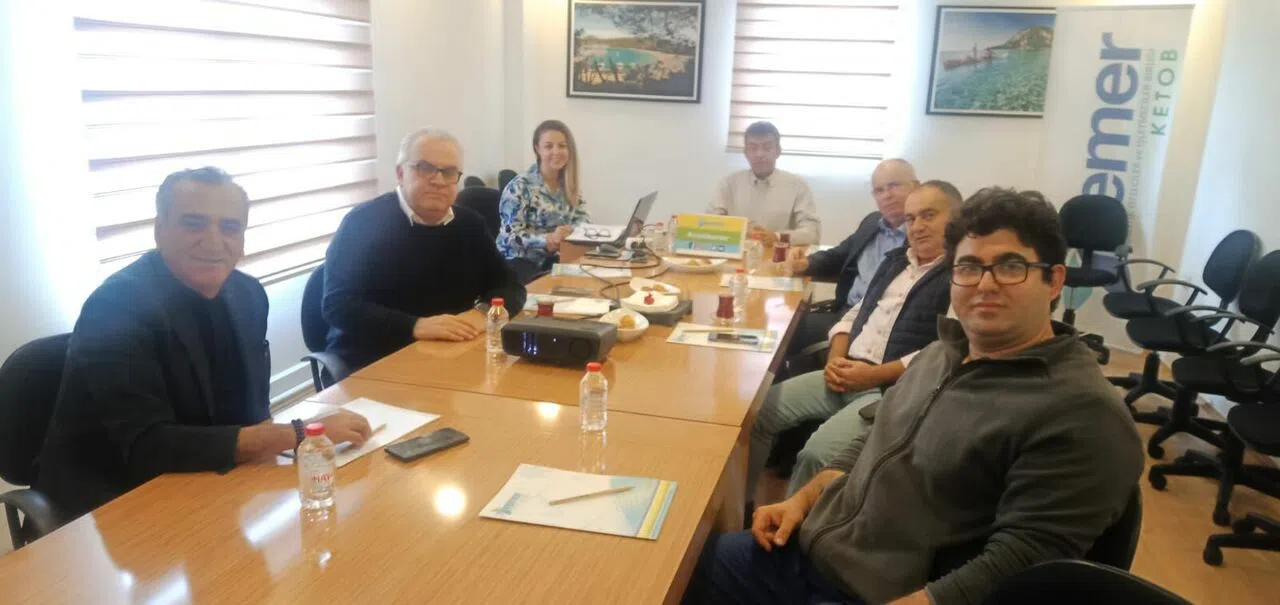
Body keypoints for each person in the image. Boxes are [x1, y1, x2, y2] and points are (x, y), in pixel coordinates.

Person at [686, 188, 1144, 605]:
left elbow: (1024, 563)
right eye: (969, 267)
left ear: (1055, 280)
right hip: (814, 554)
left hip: (881, 595)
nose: (985, 284)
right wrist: (801, 501)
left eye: (1010, 267)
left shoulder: (1082, 412)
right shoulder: (942, 353)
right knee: (678, 571)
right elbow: (874, 434)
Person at [36, 167, 373, 522]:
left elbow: (254, 413)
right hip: (112, 499)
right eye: (193, 224)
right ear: (159, 230)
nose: (213, 242)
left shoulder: (247, 294)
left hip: (210, 477)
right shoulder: (115, 307)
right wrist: (302, 433)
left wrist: (291, 445)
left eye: (229, 227)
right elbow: (146, 447)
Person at [746, 181, 961, 500]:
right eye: (911, 219)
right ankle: (745, 505)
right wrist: (836, 358)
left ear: (957, 220)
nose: (917, 227)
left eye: (928, 216)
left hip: (889, 389)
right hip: (846, 372)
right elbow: (856, 313)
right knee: (755, 414)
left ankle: (795, 527)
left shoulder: (962, 277)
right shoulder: (895, 262)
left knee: (818, 455)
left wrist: (872, 375)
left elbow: (945, 351)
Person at [323, 129, 526, 376]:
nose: (439, 181)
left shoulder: (469, 224)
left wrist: (481, 314)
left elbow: (510, 286)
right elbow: (338, 306)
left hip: (449, 356)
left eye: (449, 172)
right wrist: (415, 326)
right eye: (425, 168)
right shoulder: (362, 223)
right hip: (373, 362)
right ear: (400, 173)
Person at [782, 159, 920, 356]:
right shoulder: (872, 222)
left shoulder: (920, 237)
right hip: (845, 312)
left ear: (915, 187)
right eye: (879, 190)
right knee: (784, 323)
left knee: (785, 334)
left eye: (894, 186)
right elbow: (839, 254)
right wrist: (805, 263)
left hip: (876, 326)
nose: (887, 195)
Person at [497, 119, 591, 284]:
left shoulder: (569, 185)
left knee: (588, 280)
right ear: (537, 149)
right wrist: (547, 240)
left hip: (554, 259)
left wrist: (570, 231)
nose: (556, 151)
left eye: (562, 146)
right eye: (548, 146)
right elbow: (510, 236)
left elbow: (584, 222)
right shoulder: (520, 186)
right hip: (519, 261)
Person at [708, 121, 820, 246]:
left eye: (767, 148)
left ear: (778, 151)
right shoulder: (727, 184)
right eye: (753, 148)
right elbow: (709, 225)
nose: (759, 154)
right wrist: (741, 230)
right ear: (745, 152)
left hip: (779, 256)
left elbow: (812, 233)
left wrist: (777, 237)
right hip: (739, 255)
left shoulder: (797, 185)